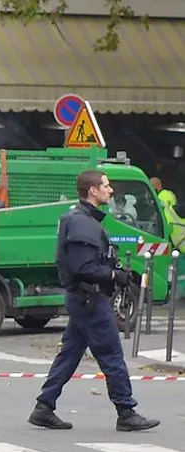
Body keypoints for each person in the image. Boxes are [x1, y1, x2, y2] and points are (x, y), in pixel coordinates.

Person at [29, 169, 159, 432]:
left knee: (70, 354)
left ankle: (44, 406)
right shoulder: (82, 222)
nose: (110, 191)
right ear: (93, 190)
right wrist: (114, 275)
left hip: (84, 298)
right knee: (111, 354)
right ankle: (126, 411)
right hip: (90, 299)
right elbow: (83, 267)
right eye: (107, 186)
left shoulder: (83, 219)